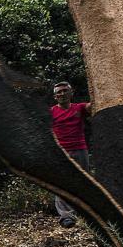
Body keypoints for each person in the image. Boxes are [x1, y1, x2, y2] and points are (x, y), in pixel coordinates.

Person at [50, 82, 91, 227]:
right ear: (55, 96)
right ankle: (66, 217)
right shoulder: (51, 112)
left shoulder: (79, 107)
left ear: (71, 92)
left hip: (80, 150)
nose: (62, 94)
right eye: (59, 92)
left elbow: (91, 106)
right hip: (61, 153)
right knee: (61, 183)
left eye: (65, 91)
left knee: (84, 181)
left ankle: (86, 213)